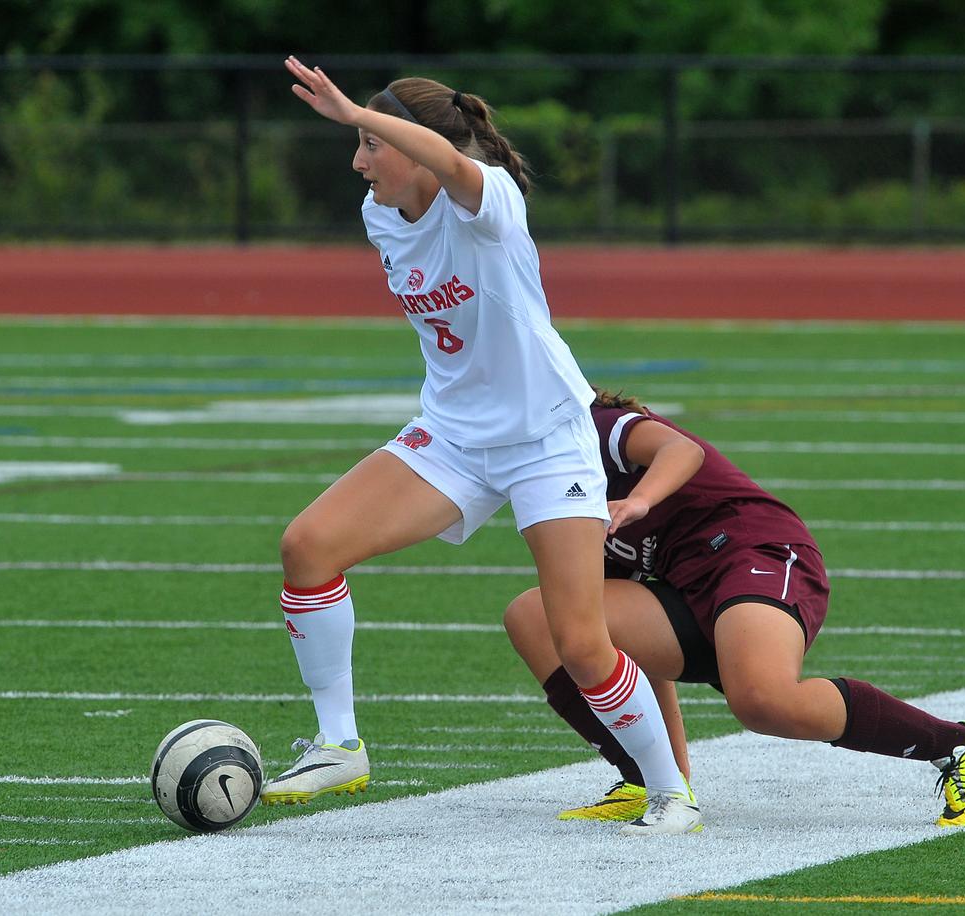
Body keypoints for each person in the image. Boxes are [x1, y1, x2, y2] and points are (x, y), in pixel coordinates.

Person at [259, 58, 702, 834]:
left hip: (545, 438)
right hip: (454, 436)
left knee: (581, 642)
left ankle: (671, 792)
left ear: (415, 146)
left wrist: (353, 111)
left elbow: (451, 165)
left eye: (370, 145)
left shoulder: (490, 199)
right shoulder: (379, 214)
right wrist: (365, 127)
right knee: (307, 546)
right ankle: (339, 744)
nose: (358, 161)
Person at [504, 388, 965, 828]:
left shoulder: (590, 426)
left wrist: (640, 500)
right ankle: (647, 780)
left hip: (754, 553)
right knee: (543, 617)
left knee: (763, 701)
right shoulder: (543, 479)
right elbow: (620, 648)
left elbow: (682, 450)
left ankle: (956, 743)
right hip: (688, 589)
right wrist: (665, 770)